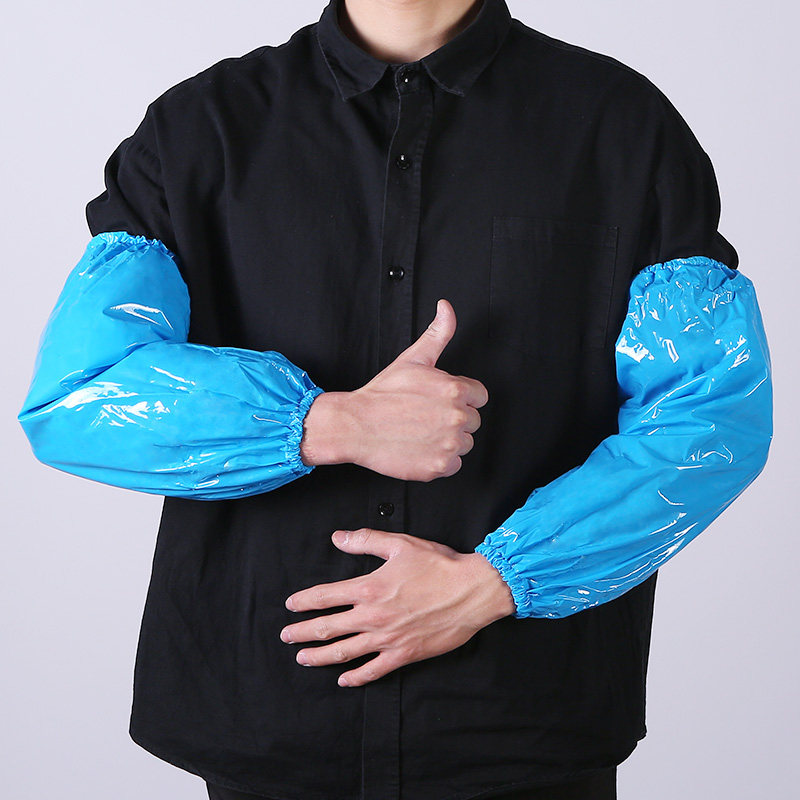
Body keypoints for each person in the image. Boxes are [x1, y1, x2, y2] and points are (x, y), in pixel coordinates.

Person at [17, 1, 773, 798]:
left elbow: (710, 415)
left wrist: (496, 582)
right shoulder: (198, 129)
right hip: (266, 713)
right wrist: (326, 423)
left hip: (523, 714)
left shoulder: (621, 125)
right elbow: (82, 391)